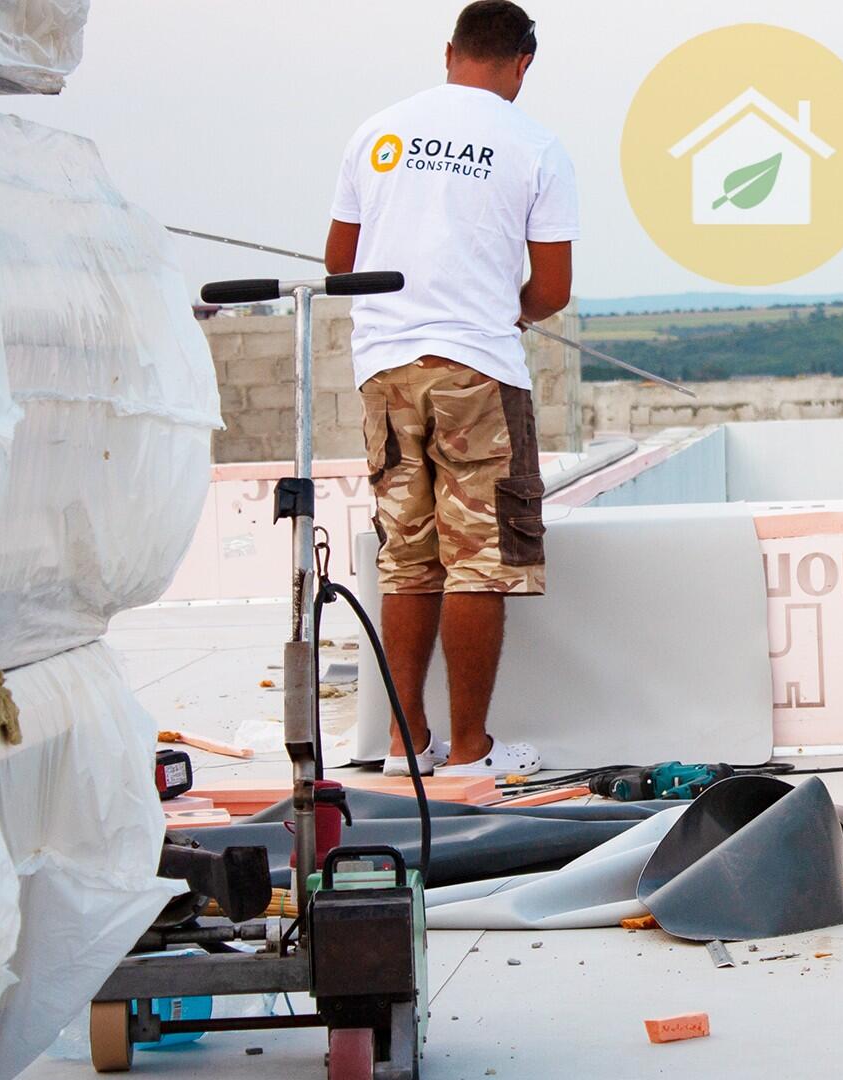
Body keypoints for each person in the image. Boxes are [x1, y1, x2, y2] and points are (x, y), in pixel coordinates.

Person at [325, 0, 576, 777]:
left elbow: (340, 268)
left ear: (449, 51)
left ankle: (406, 745)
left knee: (408, 557)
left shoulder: (377, 131)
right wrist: (511, 311)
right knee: (482, 559)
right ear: (524, 63)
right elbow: (553, 288)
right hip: (477, 367)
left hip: (385, 368)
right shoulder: (535, 145)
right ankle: (471, 752)